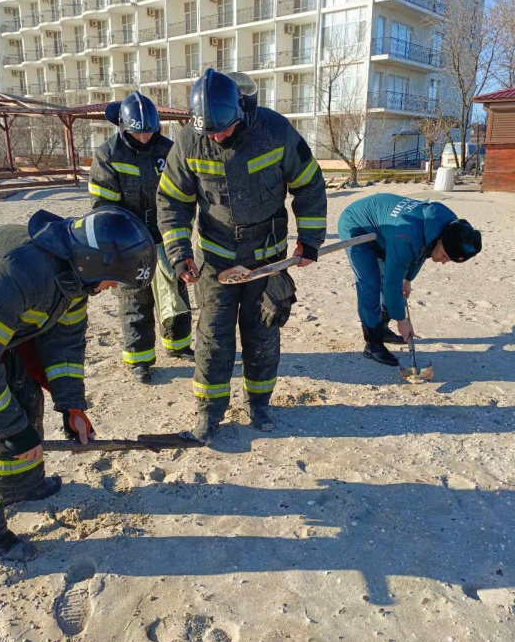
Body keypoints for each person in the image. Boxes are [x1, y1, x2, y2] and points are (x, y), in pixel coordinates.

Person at [0, 207, 156, 562]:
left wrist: (71, 406)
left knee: (22, 394)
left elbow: (65, 344)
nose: (111, 289)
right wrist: (14, 431)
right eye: (113, 280)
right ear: (95, 262)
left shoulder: (73, 275)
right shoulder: (10, 273)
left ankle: (19, 486)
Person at [157, 68, 327, 443]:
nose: (217, 137)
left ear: (241, 111)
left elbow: (309, 183)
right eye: (209, 132)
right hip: (215, 260)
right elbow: (172, 201)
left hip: (268, 258)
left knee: (262, 331)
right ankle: (209, 412)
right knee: (213, 337)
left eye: (223, 129)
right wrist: (179, 252)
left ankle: (259, 403)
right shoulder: (188, 142)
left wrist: (310, 239)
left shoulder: (275, 131)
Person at [89, 91, 193, 384]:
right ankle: (140, 360)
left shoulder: (170, 150)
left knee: (174, 292)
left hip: (165, 235)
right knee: (135, 299)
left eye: (150, 131)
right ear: (124, 127)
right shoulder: (108, 154)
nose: (145, 138)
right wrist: (121, 244)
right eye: (138, 133)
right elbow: (104, 209)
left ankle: (178, 345)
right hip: (128, 241)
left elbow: (183, 197)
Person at [337, 194, 482, 366]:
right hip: (357, 224)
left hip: (389, 229)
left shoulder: (450, 227)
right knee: (371, 284)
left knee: (391, 279)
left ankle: (382, 328)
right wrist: (401, 320)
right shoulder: (407, 237)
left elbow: (422, 251)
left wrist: (408, 279)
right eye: (445, 256)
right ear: (440, 240)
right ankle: (373, 344)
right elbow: (392, 282)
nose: (444, 262)